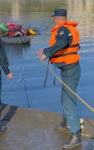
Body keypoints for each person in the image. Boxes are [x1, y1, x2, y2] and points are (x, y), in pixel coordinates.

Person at [38, 9, 81, 148]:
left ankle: (76, 135)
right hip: (69, 69)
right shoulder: (68, 29)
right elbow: (62, 46)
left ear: (57, 18)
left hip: (70, 70)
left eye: (54, 18)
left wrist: (47, 53)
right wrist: (45, 50)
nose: (54, 20)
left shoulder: (63, 30)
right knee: (65, 98)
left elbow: (62, 43)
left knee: (68, 101)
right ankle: (66, 122)